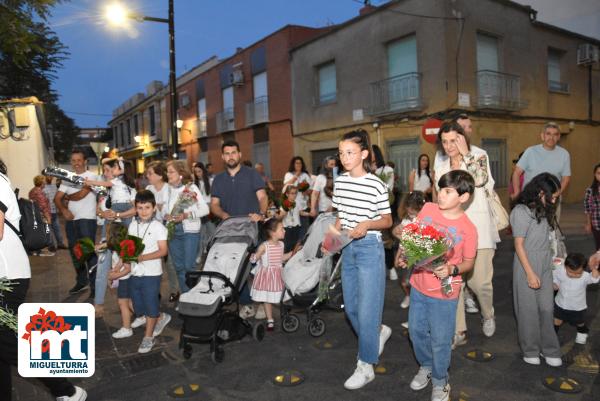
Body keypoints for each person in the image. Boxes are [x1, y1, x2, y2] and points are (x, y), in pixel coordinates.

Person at [0, 159, 87, 401]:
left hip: (7, 276)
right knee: (4, 343)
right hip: (6, 273)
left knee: (8, 342)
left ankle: (67, 390)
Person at [400, 170, 477, 401]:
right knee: (415, 331)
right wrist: (406, 254)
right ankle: (426, 365)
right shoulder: (428, 209)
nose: (440, 195)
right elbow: (416, 241)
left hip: (445, 293)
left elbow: (468, 262)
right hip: (419, 285)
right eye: (440, 189)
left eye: (447, 191)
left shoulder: (468, 229)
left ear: (463, 197)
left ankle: (441, 380)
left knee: (441, 340)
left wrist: (452, 269)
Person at [331, 129, 393, 390]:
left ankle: (366, 365)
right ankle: (377, 332)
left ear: (364, 154)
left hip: (369, 248)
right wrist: (331, 241)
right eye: (342, 153)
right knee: (352, 308)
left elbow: (388, 221)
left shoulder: (376, 184)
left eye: (350, 153)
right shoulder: (340, 182)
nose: (345, 158)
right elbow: (340, 217)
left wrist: (367, 224)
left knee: (367, 309)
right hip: (347, 247)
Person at [433, 120, 499, 347]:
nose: (449, 146)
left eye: (453, 140)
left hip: (479, 230)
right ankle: (459, 330)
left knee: (480, 284)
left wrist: (466, 154)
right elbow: (439, 197)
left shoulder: (479, 155)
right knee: (453, 283)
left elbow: (480, 182)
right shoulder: (441, 164)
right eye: (445, 141)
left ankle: (488, 314)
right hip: (452, 234)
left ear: (462, 138)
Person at [210, 140, 268, 319]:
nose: (230, 156)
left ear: (240, 154)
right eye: (227, 153)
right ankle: (246, 303)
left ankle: (264, 304)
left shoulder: (252, 175)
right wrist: (223, 214)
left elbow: (263, 197)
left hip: (251, 229)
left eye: (233, 152)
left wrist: (261, 213)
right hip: (230, 230)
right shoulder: (218, 179)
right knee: (237, 268)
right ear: (222, 157)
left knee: (256, 268)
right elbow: (214, 205)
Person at [510, 172, 562, 367]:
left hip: (545, 262)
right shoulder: (521, 211)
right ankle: (530, 349)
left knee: (547, 308)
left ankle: (550, 349)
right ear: (541, 192)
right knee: (527, 309)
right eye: (553, 195)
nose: (555, 199)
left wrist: (554, 270)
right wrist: (530, 273)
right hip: (526, 263)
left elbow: (551, 241)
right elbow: (519, 245)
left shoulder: (546, 210)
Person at [112, 190, 170, 353]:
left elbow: (163, 251)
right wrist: (118, 265)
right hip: (135, 272)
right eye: (140, 207)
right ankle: (160, 316)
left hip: (152, 274)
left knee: (150, 304)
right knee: (138, 306)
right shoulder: (132, 225)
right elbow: (128, 248)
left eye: (147, 207)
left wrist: (142, 258)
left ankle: (148, 337)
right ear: (135, 208)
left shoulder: (158, 227)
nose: (143, 211)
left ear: (154, 209)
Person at [55, 149, 100, 297]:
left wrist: (67, 197)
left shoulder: (92, 176)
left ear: (85, 161)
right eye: (73, 160)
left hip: (87, 219)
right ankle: (82, 281)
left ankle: (95, 286)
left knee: (88, 252)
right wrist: (64, 210)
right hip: (71, 221)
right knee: (75, 253)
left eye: (79, 160)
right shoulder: (68, 178)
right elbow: (57, 198)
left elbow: (82, 193)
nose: (76, 163)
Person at [511, 122, 571, 221]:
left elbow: (566, 178)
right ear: (542, 136)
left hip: (552, 200)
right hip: (530, 199)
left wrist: (557, 194)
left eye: (555, 134)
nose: (551, 137)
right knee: (529, 230)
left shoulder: (564, 154)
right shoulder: (530, 152)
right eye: (548, 134)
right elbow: (516, 173)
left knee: (551, 232)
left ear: (559, 137)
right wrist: (517, 191)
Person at [165, 160, 208, 294]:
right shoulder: (168, 189)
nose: (168, 174)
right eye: (168, 171)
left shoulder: (191, 189)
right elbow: (166, 211)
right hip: (173, 231)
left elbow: (205, 210)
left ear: (181, 173)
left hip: (189, 231)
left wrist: (187, 215)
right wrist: (166, 216)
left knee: (189, 266)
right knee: (179, 267)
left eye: (171, 172)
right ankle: (185, 297)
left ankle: (195, 296)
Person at [250, 218, 294, 331]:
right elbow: (254, 259)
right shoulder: (264, 246)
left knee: (281, 296)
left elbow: (281, 258)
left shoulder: (281, 244)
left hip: (278, 274)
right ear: (272, 232)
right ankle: (270, 319)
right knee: (267, 298)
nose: (284, 231)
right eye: (281, 229)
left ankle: (285, 314)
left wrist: (293, 253)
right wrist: (256, 255)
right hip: (267, 276)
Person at [145, 161, 178, 302]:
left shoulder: (169, 188)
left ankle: (174, 290)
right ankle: (154, 291)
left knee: (170, 263)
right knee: (153, 262)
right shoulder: (148, 189)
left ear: (159, 175)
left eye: (150, 173)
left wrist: (159, 208)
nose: (147, 176)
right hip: (152, 230)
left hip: (167, 230)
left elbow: (169, 211)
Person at [553, 252, 599, 345]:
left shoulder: (585, 276)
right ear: (565, 266)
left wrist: (594, 269)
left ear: (583, 270)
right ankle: (552, 336)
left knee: (579, 322)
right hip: (561, 303)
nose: (573, 275)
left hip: (577, 307)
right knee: (557, 320)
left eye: (578, 273)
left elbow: (594, 279)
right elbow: (556, 277)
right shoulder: (560, 270)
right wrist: (555, 284)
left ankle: (582, 331)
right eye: (570, 272)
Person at [392, 190, 427, 313]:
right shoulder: (406, 221)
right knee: (404, 282)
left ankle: (416, 302)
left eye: (413, 213)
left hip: (418, 257)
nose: (411, 214)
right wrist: (397, 256)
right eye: (408, 211)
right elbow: (402, 242)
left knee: (416, 283)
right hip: (406, 255)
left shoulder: (424, 222)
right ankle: (409, 296)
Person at [282, 156, 312, 237]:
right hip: (292, 208)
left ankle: (302, 247)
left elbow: (311, 191)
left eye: (300, 163)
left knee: (304, 231)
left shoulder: (305, 175)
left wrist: (305, 189)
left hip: (303, 206)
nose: (299, 165)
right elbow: (285, 186)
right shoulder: (288, 174)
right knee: (294, 232)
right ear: (293, 164)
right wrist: (296, 176)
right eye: (297, 163)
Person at [28, 175, 54, 256]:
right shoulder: (39, 192)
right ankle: (44, 251)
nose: (45, 182)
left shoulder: (32, 190)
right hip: (42, 216)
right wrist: (48, 217)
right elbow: (43, 206)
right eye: (44, 181)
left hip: (36, 215)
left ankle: (38, 250)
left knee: (39, 233)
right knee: (46, 233)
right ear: (41, 182)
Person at [278, 185, 310, 253]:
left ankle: (292, 260)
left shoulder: (297, 202)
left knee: (295, 246)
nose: (294, 195)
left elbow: (300, 212)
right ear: (287, 194)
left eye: (295, 193)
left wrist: (309, 214)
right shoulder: (284, 203)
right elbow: (280, 217)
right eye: (292, 193)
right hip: (287, 229)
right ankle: (285, 261)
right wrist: (284, 212)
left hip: (296, 227)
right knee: (286, 246)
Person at [43, 176, 67, 250]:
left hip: (54, 211)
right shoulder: (42, 188)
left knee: (57, 228)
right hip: (47, 212)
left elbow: (58, 198)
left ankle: (60, 243)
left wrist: (59, 208)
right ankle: (51, 245)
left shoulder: (54, 187)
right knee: (48, 229)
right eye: (48, 176)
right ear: (44, 177)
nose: (50, 178)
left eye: (51, 176)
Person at [584, 163, 600, 250]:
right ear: (595, 174)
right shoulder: (590, 191)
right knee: (598, 248)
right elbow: (588, 209)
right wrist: (588, 224)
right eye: (599, 173)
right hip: (597, 224)